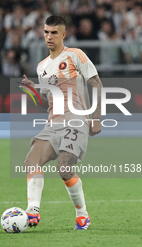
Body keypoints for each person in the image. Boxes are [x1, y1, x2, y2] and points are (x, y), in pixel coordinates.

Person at [20, 15, 102, 230]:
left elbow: (96, 84)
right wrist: (33, 93)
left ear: (63, 34)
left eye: (54, 32)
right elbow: (48, 101)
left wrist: (96, 118)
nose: (49, 36)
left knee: (64, 168)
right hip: (52, 122)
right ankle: (32, 212)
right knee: (31, 161)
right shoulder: (42, 67)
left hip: (76, 120)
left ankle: (82, 215)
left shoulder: (76, 56)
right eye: (46, 32)